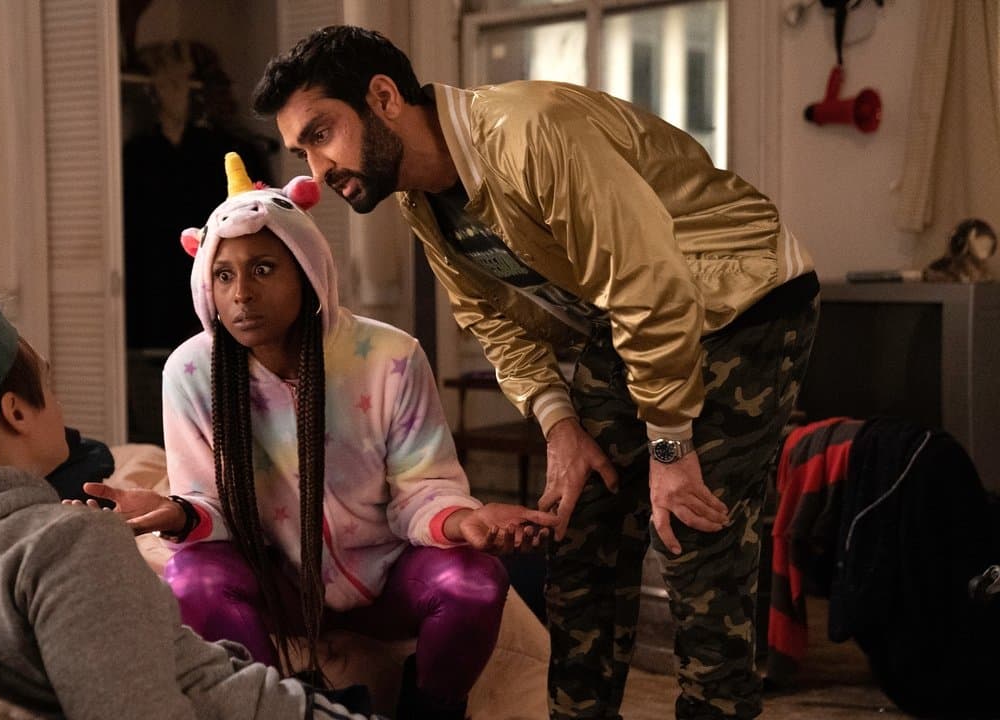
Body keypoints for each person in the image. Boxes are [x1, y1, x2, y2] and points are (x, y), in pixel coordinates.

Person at [250, 26, 820, 720]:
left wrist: (669, 447)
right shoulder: (419, 198)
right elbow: (492, 319)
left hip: (743, 299)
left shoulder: (529, 132)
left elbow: (648, 281)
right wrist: (560, 425)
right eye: (302, 152)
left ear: (383, 97)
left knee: (693, 538)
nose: (316, 169)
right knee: (580, 534)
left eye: (322, 134)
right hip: (631, 318)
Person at [79, 153, 555, 720]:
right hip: (273, 586)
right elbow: (209, 502)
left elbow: (423, 488)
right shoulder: (190, 371)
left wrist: (463, 521)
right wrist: (177, 513)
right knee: (192, 577)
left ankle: (427, 711)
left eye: (263, 269)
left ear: (307, 270)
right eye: (224, 276)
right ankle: (272, 711)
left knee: (475, 583)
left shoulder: (390, 357)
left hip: (386, 583)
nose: (241, 293)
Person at [0, 299, 381, 720]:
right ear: (16, 412)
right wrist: (92, 554)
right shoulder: (66, 546)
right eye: (48, 383)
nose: (59, 403)